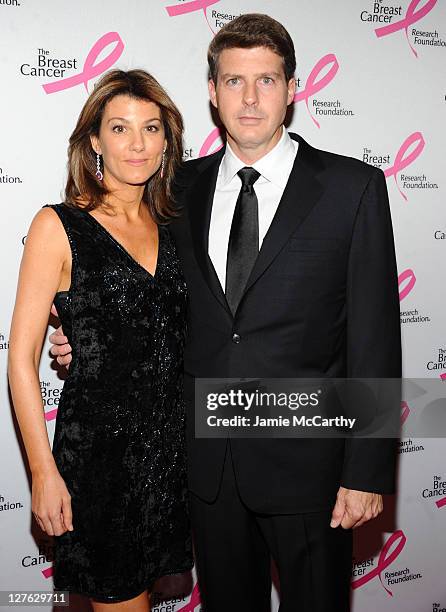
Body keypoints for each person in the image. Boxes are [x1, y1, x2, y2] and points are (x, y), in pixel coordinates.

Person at [50, 14, 401, 612]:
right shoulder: (174, 191)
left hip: (311, 468)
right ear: (212, 92)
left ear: (293, 89)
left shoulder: (352, 188)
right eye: (234, 81)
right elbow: (146, 298)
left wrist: (367, 471)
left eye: (266, 81)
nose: (250, 98)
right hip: (207, 469)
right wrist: (85, 340)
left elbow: (375, 337)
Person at [8, 69, 193, 610]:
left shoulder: (175, 227)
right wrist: (43, 472)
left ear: (167, 140)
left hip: (171, 457)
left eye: (152, 128)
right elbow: (21, 360)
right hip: (100, 463)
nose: (137, 144)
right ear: (94, 140)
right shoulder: (59, 225)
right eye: (119, 128)